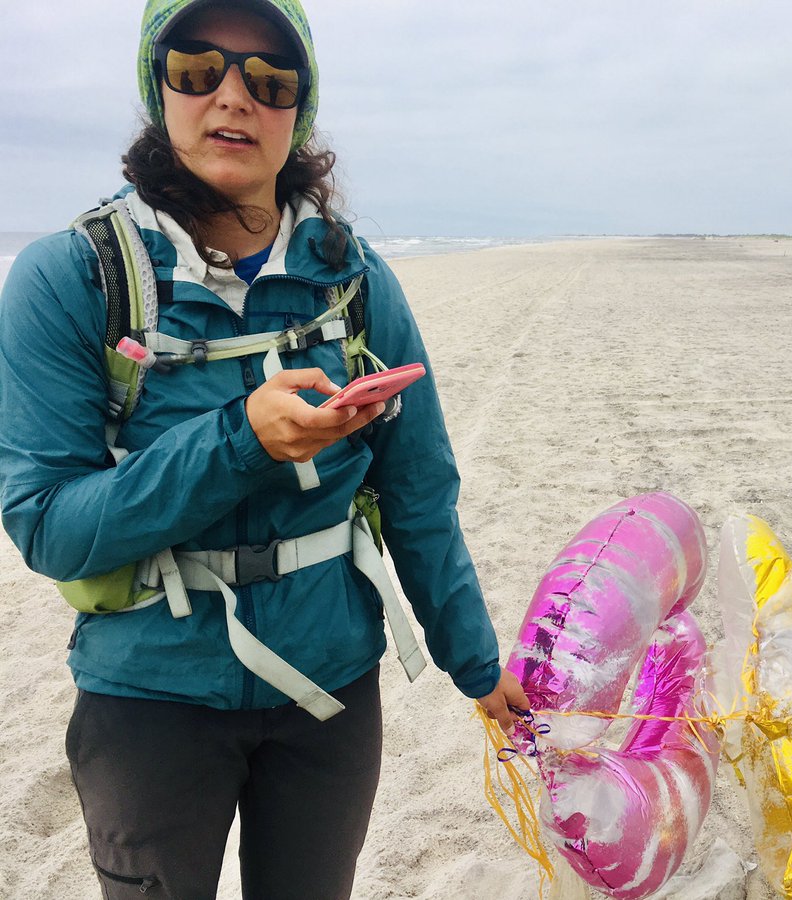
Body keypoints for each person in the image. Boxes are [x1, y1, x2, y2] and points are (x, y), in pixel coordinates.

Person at [0, 1, 528, 897]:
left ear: (299, 109)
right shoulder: (71, 277)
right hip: (147, 698)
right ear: (157, 88)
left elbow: (418, 489)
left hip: (330, 689)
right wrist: (241, 440)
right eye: (197, 68)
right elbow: (48, 527)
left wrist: (476, 664)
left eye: (271, 79)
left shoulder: (354, 278)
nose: (234, 97)